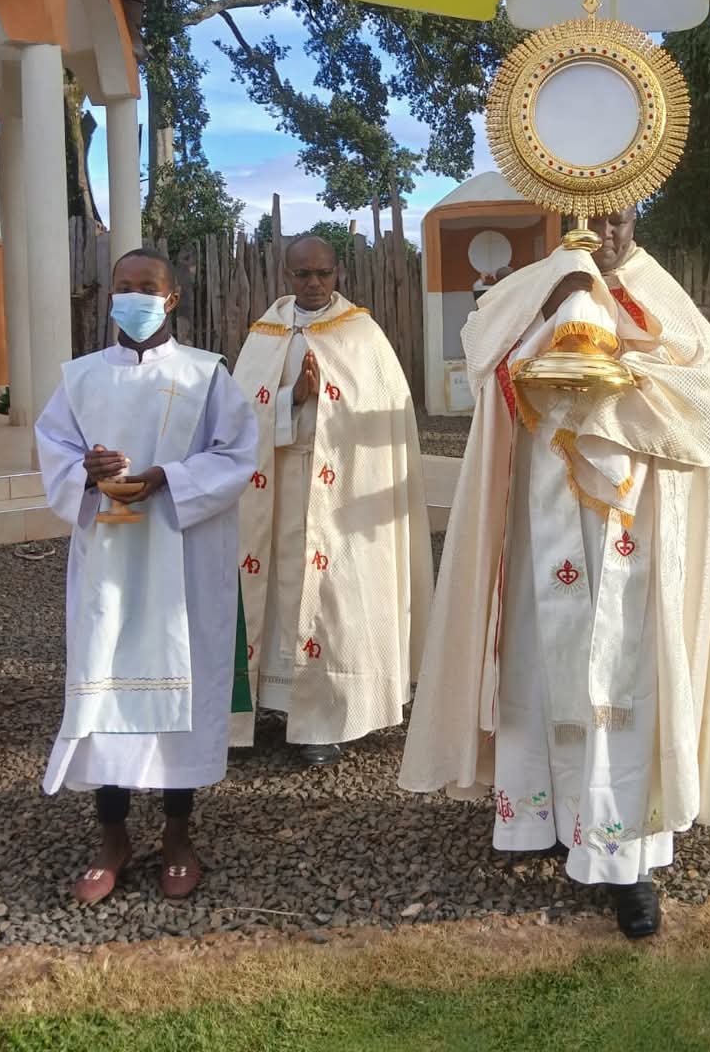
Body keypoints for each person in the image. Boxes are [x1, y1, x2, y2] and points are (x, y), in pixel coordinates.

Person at [399, 207, 710, 940]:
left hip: (631, 522)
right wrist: (545, 325)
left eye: (618, 218)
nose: (604, 232)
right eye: (590, 219)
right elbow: (486, 364)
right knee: (536, 666)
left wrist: (619, 380)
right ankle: (544, 816)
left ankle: (625, 857)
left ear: (636, 215)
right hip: (540, 519)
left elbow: (706, 401)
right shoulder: (536, 288)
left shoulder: (663, 298)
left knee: (624, 673)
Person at [35, 248, 257, 903]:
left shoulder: (206, 375)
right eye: (123, 287)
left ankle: (177, 835)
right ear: (110, 296)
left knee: (180, 686)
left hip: (182, 555)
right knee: (104, 682)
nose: (133, 298)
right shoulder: (79, 378)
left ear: (172, 298)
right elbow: (56, 453)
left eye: (147, 287)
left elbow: (238, 455)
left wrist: (169, 476)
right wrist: (86, 471)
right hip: (109, 558)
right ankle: (112, 838)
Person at [231, 233, 432, 766]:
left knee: (334, 597)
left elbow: (381, 416)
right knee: (274, 594)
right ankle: (272, 704)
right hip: (274, 488)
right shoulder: (265, 335)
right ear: (286, 276)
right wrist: (292, 397)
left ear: (337, 272)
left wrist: (329, 401)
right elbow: (237, 416)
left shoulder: (361, 334)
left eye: (323, 273)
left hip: (342, 492)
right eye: (303, 274)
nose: (314, 283)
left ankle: (326, 716)